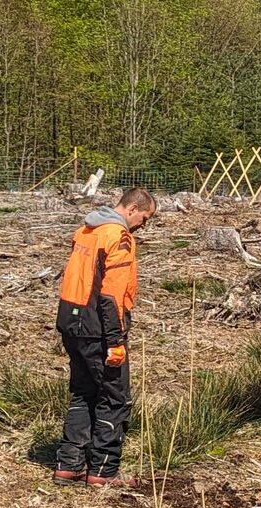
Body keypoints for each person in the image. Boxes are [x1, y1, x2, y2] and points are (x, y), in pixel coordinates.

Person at [51, 188, 155, 488]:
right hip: (99, 328)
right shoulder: (119, 238)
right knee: (114, 397)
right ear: (133, 209)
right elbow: (111, 295)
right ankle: (104, 471)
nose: (143, 226)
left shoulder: (86, 229)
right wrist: (116, 340)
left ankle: (69, 465)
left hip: (71, 321)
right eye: (145, 218)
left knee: (83, 393)